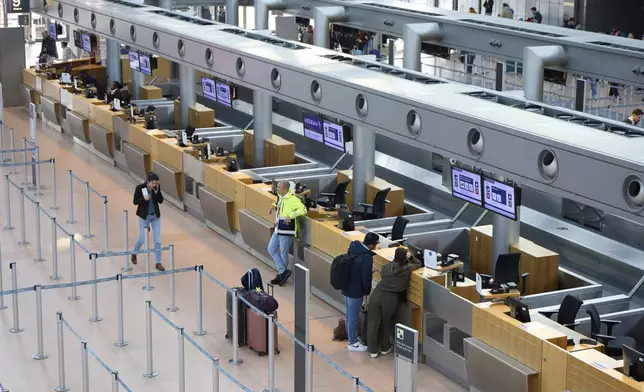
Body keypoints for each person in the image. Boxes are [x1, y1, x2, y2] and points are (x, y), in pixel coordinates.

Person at [367, 248, 421, 358]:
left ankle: (373, 350)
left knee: (373, 322)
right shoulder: (407, 268)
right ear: (405, 257)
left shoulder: (386, 267)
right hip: (390, 297)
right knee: (386, 321)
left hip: (377, 293)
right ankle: (384, 347)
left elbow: (383, 273)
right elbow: (418, 263)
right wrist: (411, 257)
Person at [343, 232, 380, 352]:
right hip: (356, 290)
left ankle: (351, 337)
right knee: (353, 316)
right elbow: (365, 278)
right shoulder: (367, 257)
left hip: (347, 285)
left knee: (349, 314)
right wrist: (366, 291)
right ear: (371, 245)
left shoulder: (354, 248)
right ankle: (353, 342)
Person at [267, 181, 307, 286]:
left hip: (285, 231)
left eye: (279, 187)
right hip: (278, 229)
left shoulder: (293, 199)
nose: (277, 189)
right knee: (271, 249)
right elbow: (281, 205)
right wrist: (274, 205)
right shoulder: (281, 197)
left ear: (285, 189)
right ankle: (283, 272)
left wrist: (291, 215)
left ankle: (281, 275)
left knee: (284, 254)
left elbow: (303, 209)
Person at [131, 172, 166, 271]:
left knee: (158, 240)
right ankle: (134, 252)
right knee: (142, 237)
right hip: (144, 216)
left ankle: (158, 262)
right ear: (148, 181)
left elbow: (161, 201)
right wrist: (144, 199)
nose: (154, 185)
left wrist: (157, 192)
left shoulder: (156, 189)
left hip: (155, 216)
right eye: (153, 183)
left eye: (156, 183)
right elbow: (135, 202)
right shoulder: (140, 188)